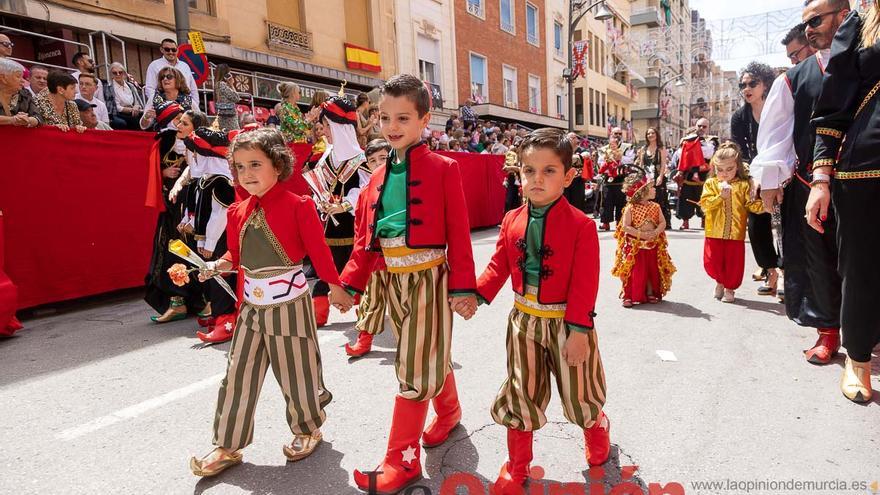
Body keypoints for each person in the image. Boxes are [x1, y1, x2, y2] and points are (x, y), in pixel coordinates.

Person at [338, 74, 476, 494]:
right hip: (393, 281)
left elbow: (459, 232)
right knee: (425, 354)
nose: (392, 126)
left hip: (430, 279)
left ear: (424, 120)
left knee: (413, 368)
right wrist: (348, 283)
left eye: (402, 117)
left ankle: (401, 460)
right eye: (384, 117)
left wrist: (463, 288)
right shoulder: (377, 178)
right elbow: (367, 239)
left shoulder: (444, 169)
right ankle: (449, 413)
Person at [189, 127, 350, 477]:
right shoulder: (236, 211)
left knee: (296, 370)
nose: (247, 174)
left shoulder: (299, 206)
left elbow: (319, 251)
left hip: (289, 305)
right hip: (250, 307)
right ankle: (227, 444)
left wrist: (335, 286)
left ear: (277, 165)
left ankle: (308, 428)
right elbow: (235, 253)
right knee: (237, 373)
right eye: (241, 167)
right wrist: (217, 265)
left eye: (255, 165)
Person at [474, 128, 609, 494]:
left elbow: (585, 283)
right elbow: (498, 265)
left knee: (579, 391)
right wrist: (475, 295)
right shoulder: (511, 219)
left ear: (568, 176)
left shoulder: (581, 225)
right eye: (529, 170)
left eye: (549, 171)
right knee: (521, 392)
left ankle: (595, 426)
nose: (537, 179)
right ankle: (518, 466)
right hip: (524, 321)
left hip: (568, 323)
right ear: (519, 175)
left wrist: (579, 332)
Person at [750, 0, 848, 365]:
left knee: (862, 260)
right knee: (818, 262)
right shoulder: (792, 78)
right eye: (805, 22)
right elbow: (775, 137)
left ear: (844, 14)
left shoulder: (866, 63)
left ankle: (864, 331)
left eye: (816, 20)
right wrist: (771, 182)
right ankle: (828, 332)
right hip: (810, 185)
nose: (809, 29)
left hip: (863, 182)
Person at [805, 6, 880, 402]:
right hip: (865, 169)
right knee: (861, 268)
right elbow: (833, 109)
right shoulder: (861, 22)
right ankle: (859, 359)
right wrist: (821, 179)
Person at [305, 96, 371, 328]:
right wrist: (319, 201)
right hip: (329, 227)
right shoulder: (326, 157)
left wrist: (344, 205)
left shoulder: (360, 159)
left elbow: (366, 190)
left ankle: (367, 315)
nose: (324, 133)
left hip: (353, 226)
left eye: (327, 127)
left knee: (359, 270)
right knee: (327, 270)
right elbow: (319, 186)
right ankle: (318, 313)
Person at [144, 103, 205, 322]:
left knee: (197, 247)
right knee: (171, 247)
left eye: (183, 120)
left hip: (195, 202)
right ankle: (176, 301)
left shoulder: (201, 144)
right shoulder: (165, 140)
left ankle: (205, 300)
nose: (179, 123)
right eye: (177, 120)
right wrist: (164, 171)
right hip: (173, 202)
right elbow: (151, 168)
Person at [730, 62, 781, 296]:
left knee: (784, 225)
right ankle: (770, 271)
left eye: (752, 83)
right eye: (742, 84)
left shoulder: (778, 107)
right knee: (756, 226)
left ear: (765, 85)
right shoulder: (740, 116)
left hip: (783, 172)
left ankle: (788, 275)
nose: (746, 88)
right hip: (754, 177)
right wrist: (751, 177)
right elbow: (739, 150)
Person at [344, 138, 392, 358]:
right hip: (375, 257)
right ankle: (364, 339)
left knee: (405, 301)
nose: (378, 164)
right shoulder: (365, 192)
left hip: (402, 255)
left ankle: (414, 344)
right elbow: (360, 227)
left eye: (383, 158)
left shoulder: (403, 184)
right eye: (372, 161)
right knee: (371, 298)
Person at [700, 143, 764, 303]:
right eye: (720, 169)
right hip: (713, 231)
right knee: (712, 262)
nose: (724, 174)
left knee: (733, 264)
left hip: (736, 233)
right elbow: (705, 205)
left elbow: (751, 205)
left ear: (737, 166)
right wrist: (720, 197)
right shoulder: (711, 184)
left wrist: (766, 205)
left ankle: (730, 288)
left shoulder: (743, 185)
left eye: (729, 169)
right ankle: (719, 282)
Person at [612, 171, 675, 307]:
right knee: (634, 270)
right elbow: (625, 226)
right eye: (651, 188)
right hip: (635, 245)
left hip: (652, 243)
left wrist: (656, 231)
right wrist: (642, 235)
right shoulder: (631, 208)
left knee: (651, 268)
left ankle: (650, 292)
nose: (654, 190)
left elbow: (663, 223)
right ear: (641, 192)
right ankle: (628, 295)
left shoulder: (655, 207)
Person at [673, 119, 718, 230]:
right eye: (699, 126)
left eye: (704, 126)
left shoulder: (712, 141)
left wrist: (697, 149)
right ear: (695, 126)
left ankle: (704, 220)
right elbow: (680, 155)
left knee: (705, 198)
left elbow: (709, 154)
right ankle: (685, 221)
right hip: (688, 174)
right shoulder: (687, 140)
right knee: (685, 198)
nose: (701, 128)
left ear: (708, 127)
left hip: (705, 174)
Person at [144, 38, 199, 110]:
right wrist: (159, 104)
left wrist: (195, 106)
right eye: (167, 49)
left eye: (173, 49)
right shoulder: (154, 65)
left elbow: (193, 88)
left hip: (185, 105)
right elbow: (149, 88)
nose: (171, 52)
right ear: (161, 50)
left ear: (177, 50)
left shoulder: (184, 66)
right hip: (164, 106)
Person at [637, 127, 671, 227]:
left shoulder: (661, 148)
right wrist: (640, 178)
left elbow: (663, 164)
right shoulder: (643, 149)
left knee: (659, 199)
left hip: (657, 177)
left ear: (656, 135)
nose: (650, 135)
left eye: (652, 133)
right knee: (646, 199)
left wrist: (660, 176)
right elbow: (641, 164)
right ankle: (647, 222)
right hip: (646, 178)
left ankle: (661, 222)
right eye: (648, 134)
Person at [597, 136, 630, 231]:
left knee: (621, 202)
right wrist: (607, 160)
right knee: (606, 202)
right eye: (611, 144)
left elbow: (629, 163)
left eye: (614, 144)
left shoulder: (624, 151)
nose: (612, 146)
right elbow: (600, 166)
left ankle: (619, 223)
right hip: (608, 180)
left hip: (620, 180)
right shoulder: (604, 152)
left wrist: (620, 158)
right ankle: (605, 222)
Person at [0, 58, 40, 128]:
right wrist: (12, 120)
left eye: (23, 77)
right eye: (18, 76)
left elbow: (38, 117)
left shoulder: (25, 93)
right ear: (3, 78)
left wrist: (27, 120)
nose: (23, 81)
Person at [108, 62, 145, 130]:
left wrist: (136, 106)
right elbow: (116, 107)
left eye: (120, 72)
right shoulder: (109, 88)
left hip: (134, 111)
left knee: (147, 118)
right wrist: (132, 110)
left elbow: (137, 101)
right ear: (111, 75)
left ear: (125, 74)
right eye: (114, 73)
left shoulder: (131, 86)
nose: (118, 74)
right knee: (134, 121)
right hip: (118, 114)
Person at [563, 132, 588, 213]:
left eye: (575, 138)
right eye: (571, 138)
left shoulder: (582, 150)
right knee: (565, 202)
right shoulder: (562, 150)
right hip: (565, 180)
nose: (574, 140)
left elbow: (587, 157)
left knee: (578, 203)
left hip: (578, 181)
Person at [212, 63, 240, 131]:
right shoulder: (222, 84)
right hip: (229, 118)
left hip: (223, 116)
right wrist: (231, 85)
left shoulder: (217, 85)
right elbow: (236, 98)